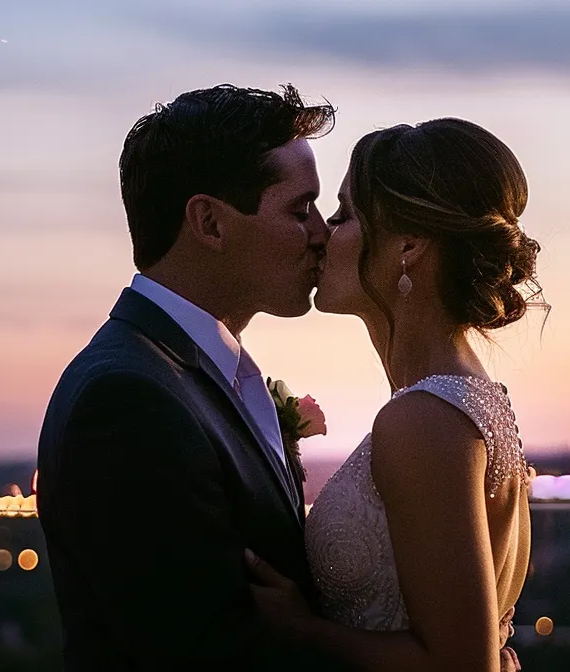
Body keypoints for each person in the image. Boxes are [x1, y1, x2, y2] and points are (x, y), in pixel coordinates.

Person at [34, 83, 343, 670]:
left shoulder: (184, 373)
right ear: (210, 223)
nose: (322, 233)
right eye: (300, 209)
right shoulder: (126, 400)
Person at [246, 118, 541, 671]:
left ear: (408, 246)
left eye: (345, 215)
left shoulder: (422, 420)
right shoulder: (470, 399)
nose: (323, 233)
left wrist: (301, 629)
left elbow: (460, 665)